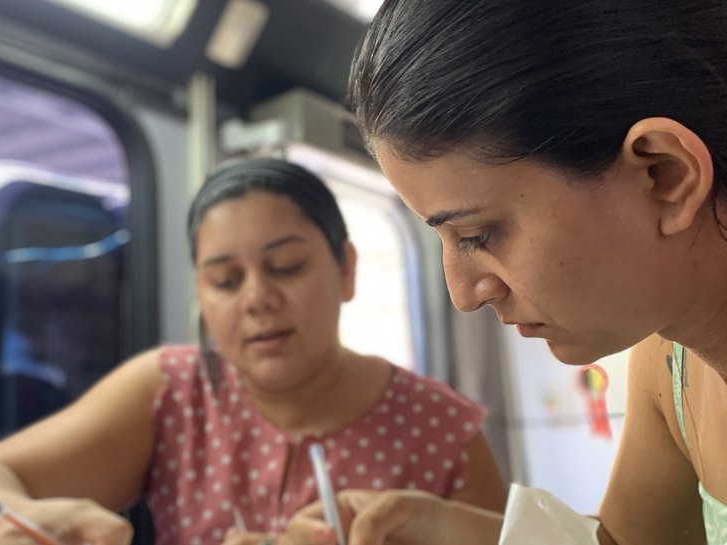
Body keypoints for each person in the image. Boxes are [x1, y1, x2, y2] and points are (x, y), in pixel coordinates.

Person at [284, 1, 727, 544]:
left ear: (664, 175)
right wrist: (444, 531)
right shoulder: (669, 365)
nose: (463, 294)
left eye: (478, 235)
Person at [0, 158, 506, 545]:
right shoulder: (171, 390)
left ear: (346, 269)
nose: (257, 299)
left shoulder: (444, 431)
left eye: (286, 267)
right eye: (226, 280)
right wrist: (19, 526)